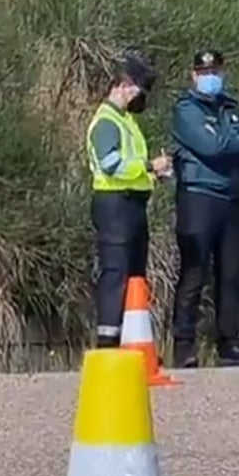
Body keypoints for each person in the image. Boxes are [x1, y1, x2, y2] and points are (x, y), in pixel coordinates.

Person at [169, 49, 239, 367]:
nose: (210, 77)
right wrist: (232, 145)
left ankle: (229, 344)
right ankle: (184, 345)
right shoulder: (186, 110)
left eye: (215, 72)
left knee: (231, 273)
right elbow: (211, 146)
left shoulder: (232, 108)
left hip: (230, 199)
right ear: (193, 75)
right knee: (194, 272)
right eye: (203, 72)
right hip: (198, 197)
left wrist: (230, 145)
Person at [85, 52, 173, 348]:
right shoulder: (107, 121)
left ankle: (134, 343)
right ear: (124, 85)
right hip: (114, 206)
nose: (141, 100)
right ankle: (108, 343)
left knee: (135, 275)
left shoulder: (127, 122)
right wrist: (149, 167)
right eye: (139, 92)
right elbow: (111, 165)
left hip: (133, 205)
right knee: (116, 273)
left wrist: (153, 175)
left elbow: (131, 165)